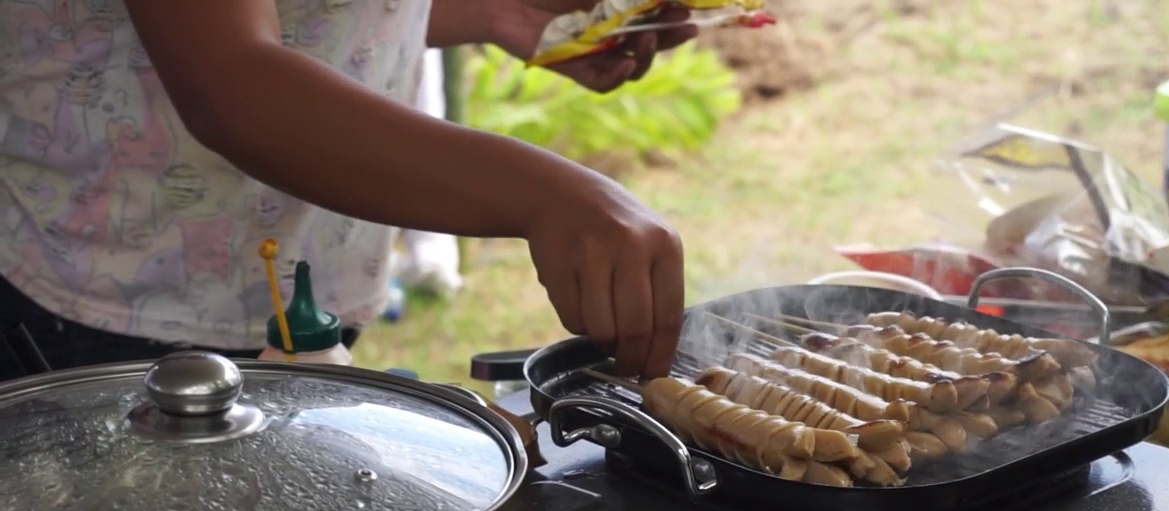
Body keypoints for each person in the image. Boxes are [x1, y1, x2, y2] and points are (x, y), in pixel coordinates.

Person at [0, 0, 699, 384]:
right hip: (103, 317)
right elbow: (231, 85)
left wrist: (496, 11)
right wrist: (544, 194)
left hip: (288, 295)